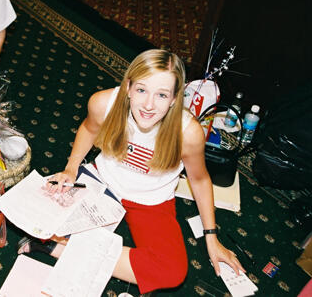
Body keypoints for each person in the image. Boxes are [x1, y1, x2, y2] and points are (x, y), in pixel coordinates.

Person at [18, 49, 245, 294]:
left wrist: (211, 236)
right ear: (128, 87)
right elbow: (88, 129)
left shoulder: (188, 132)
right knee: (36, 214)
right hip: (102, 181)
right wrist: (71, 169)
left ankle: (58, 248)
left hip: (152, 201)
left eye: (161, 94)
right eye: (141, 90)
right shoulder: (104, 102)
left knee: (171, 271)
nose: (148, 105)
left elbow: (199, 180)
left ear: (174, 98)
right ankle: (67, 244)